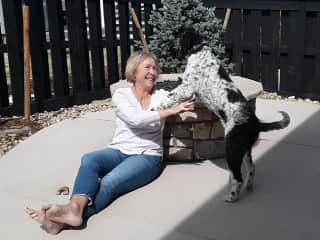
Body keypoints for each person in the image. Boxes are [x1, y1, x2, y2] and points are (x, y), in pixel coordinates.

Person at [25, 51, 195, 234]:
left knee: (109, 182)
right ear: (134, 71)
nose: (152, 72)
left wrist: (188, 99)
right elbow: (135, 119)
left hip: (146, 156)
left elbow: (186, 93)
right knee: (89, 159)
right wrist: (170, 111)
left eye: (154, 68)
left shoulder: (161, 96)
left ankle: (62, 222)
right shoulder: (122, 95)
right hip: (119, 150)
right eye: (147, 67)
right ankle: (73, 209)